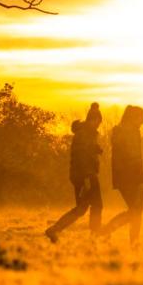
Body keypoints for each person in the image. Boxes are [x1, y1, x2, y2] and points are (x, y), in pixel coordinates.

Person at [45, 103, 104, 243]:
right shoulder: (84, 135)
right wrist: (87, 178)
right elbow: (81, 158)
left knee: (82, 208)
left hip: (83, 175)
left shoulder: (86, 134)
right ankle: (93, 235)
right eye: (97, 122)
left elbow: (86, 152)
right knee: (95, 206)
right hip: (86, 175)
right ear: (92, 120)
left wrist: (96, 149)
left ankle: (54, 230)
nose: (98, 125)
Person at [102, 105, 143, 245]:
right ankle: (112, 232)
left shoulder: (121, 132)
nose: (142, 121)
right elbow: (135, 157)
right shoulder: (130, 132)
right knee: (136, 211)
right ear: (134, 118)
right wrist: (140, 179)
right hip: (132, 177)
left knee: (135, 210)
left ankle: (110, 231)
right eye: (141, 118)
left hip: (122, 177)